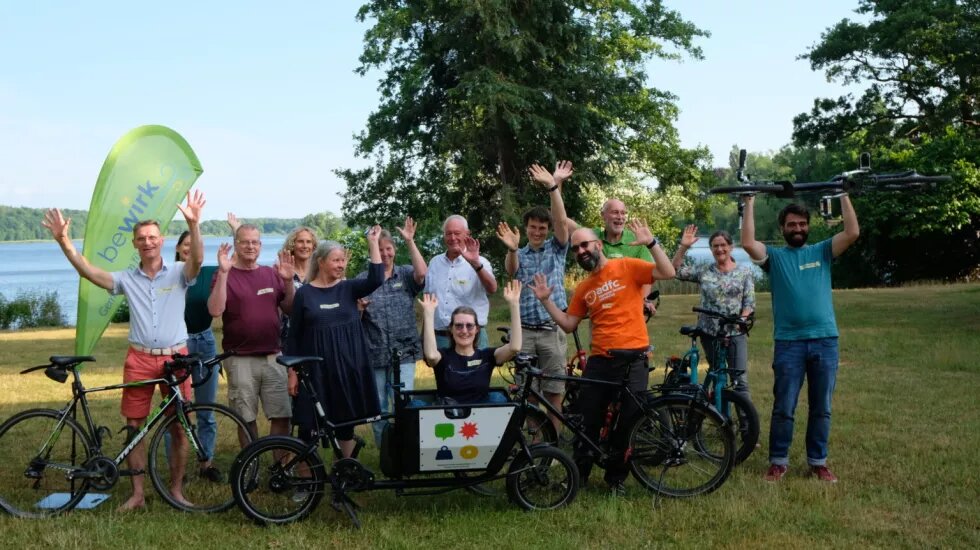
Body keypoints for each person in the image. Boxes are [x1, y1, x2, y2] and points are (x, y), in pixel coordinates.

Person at [41, 190, 206, 511]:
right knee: (134, 427)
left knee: (180, 426)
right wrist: (64, 242)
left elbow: (197, 259)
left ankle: (175, 491)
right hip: (139, 359)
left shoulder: (178, 271)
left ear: (162, 240)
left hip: (177, 359)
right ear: (135, 244)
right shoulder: (126, 279)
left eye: (153, 237)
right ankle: (138, 494)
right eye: (142, 238)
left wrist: (194, 225)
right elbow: (89, 272)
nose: (148, 242)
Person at [530, 221, 675, 494]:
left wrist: (651, 243)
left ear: (598, 244)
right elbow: (569, 323)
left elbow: (668, 272)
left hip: (634, 359)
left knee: (629, 420)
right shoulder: (584, 288)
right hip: (600, 361)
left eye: (585, 245)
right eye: (575, 249)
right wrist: (546, 300)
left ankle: (615, 479)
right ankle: (578, 476)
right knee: (587, 421)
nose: (581, 251)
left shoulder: (628, 266)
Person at [741, 194, 860, 483]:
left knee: (822, 407)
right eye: (792, 224)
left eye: (802, 224)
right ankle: (778, 461)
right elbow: (747, 243)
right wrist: (749, 202)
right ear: (783, 228)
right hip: (789, 343)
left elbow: (852, 232)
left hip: (825, 340)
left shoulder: (821, 251)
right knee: (784, 406)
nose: (798, 228)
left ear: (808, 227)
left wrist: (843, 194)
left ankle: (818, 462)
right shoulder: (775, 258)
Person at [286, 228, 384, 458]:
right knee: (308, 426)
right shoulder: (305, 294)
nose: (341, 265)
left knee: (346, 424)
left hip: (347, 367)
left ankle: (345, 471)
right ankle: (306, 481)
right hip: (315, 371)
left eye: (343, 260)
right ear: (320, 262)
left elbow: (377, 278)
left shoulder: (348, 288)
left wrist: (373, 243)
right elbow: (295, 335)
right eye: (336, 260)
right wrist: (292, 372)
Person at [496, 160, 572, 430]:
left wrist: (553, 186)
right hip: (525, 333)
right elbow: (511, 271)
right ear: (526, 228)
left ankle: (555, 445)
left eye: (542, 228)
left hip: (552, 329)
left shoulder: (557, 247)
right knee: (527, 393)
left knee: (553, 391)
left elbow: (562, 221)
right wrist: (513, 249)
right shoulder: (520, 252)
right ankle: (536, 445)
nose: (537, 232)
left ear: (547, 230)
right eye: (533, 227)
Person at [207, 224, 295, 443]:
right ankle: (250, 467)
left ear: (260, 245)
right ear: (236, 244)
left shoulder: (270, 274)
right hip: (239, 359)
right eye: (245, 241)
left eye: (254, 242)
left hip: (273, 357)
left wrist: (288, 281)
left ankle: (281, 470)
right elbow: (215, 310)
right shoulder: (223, 274)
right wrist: (225, 273)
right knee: (246, 419)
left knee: (282, 416)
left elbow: (290, 309)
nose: (250, 246)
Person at [356, 218, 427, 445]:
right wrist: (358, 309)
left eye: (388, 249)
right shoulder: (362, 280)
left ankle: (404, 448)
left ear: (394, 250)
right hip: (373, 353)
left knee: (403, 402)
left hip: (404, 351)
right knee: (378, 405)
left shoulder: (405, 274)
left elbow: (422, 274)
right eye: (379, 249)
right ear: (372, 252)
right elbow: (353, 320)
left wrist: (410, 241)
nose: (385, 254)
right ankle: (384, 448)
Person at [671, 225, 756, 401]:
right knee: (716, 374)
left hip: (734, 332)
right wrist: (684, 246)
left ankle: (747, 427)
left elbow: (749, 303)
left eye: (723, 245)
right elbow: (674, 270)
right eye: (715, 246)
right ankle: (716, 415)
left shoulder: (744, 272)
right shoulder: (704, 271)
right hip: (709, 333)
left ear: (731, 247)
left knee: (740, 381)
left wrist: (743, 318)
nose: (720, 249)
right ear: (711, 249)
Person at [419, 280, 523, 404]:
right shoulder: (443, 356)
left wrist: (514, 304)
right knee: (416, 404)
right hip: (449, 417)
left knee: (497, 398)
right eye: (458, 326)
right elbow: (430, 355)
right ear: (451, 329)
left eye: (469, 326)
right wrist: (429, 314)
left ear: (477, 329)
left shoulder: (487, 356)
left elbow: (515, 347)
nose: (464, 331)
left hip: (480, 419)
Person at [173, 230, 222, 481]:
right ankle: (176, 467)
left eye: (196, 246)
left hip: (204, 341)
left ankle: (206, 463)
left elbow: (234, 269)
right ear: (179, 248)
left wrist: (236, 232)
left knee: (206, 408)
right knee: (176, 410)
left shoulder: (210, 272)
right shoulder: (170, 274)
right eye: (186, 245)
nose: (191, 250)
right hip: (176, 345)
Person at [568, 198, 658, 316]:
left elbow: (649, 276)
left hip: (630, 310)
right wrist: (554, 187)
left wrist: (644, 301)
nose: (620, 216)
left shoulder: (637, 239)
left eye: (623, 213)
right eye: (615, 212)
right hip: (602, 308)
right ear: (603, 215)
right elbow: (563, 221)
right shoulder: (593, 237)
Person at [424, 215, 497, 349]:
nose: (452, 238)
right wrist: (424, 337)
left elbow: (492, 288)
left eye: (457, 233)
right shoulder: (434, 263)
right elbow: (428, 302)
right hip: (441, 338)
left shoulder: (481, 262)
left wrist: (475, 264)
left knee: (478, 370)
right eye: (448, 234)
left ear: (467, 234)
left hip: (473, 338)